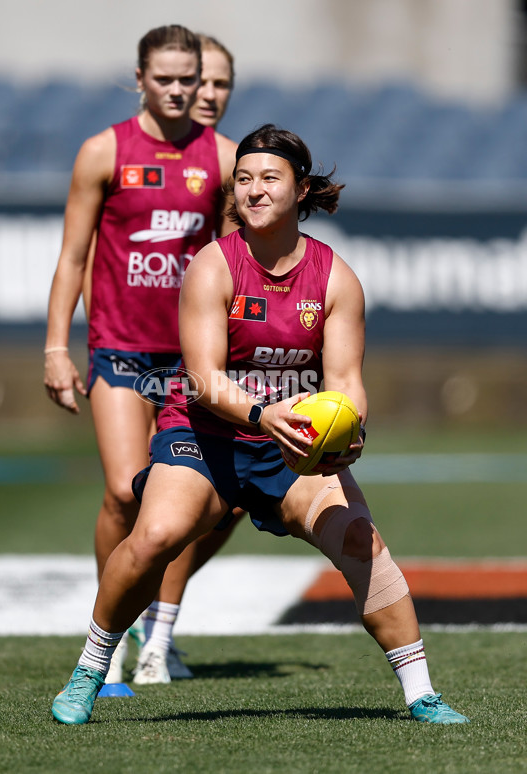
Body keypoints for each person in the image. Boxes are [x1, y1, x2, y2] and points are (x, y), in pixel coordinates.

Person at [51, 124, 470, 726]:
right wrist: (262, 413)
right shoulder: (211, 267)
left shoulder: (336, 278)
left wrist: (349, 430)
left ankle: (422, 694)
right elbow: (202, 376)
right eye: (243, 179)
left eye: (269, 178)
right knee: (155, 538)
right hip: (206, 435)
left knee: (361, 543)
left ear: (302, 189)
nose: (253, 189)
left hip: (290, 447)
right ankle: (91, 669)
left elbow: (347, 380)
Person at [43, 24, 237, 693]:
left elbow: (239, 263)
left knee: (177, 500)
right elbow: (72, 258)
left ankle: (157, 633)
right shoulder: (103, 152)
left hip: (193, 363)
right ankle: (115, 633)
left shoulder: (224, 159)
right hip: (120, 351)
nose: (181, 90)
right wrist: (54, 348)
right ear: (140, 79)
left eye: (191, 78)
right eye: (167, 78)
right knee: (125, 494)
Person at [129, 32, 242, 686]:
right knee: (151, 499)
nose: (207, 95)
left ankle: (155, 622)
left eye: (221, 85)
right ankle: (140, 635)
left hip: (207, 358)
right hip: (147, 350)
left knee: (223, 505)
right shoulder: (141, 153)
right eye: (201, 82)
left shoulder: (234, 165)